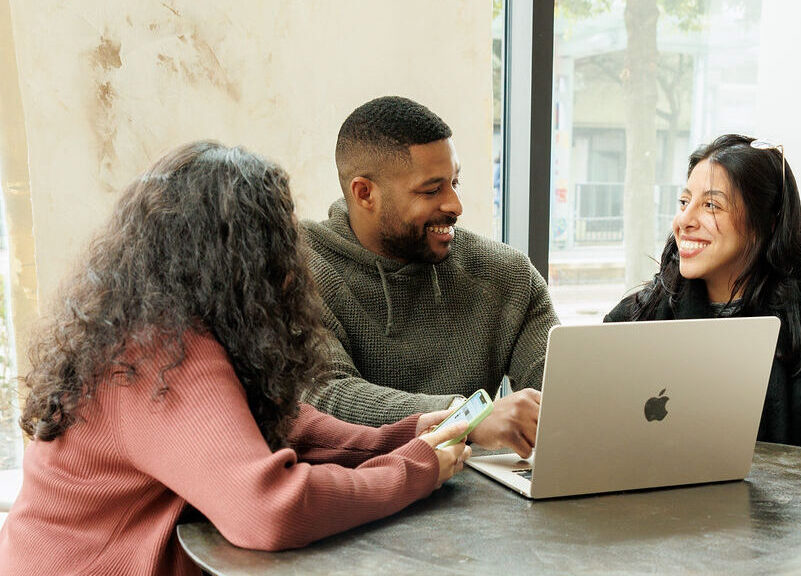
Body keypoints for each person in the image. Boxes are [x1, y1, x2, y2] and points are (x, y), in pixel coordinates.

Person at [0, 142, 471, 576]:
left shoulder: (156, 328)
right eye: (280, 237)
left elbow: (290, 426)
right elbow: (268, 510)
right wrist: (413, 470)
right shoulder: (159, 353)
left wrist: (407, 435)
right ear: (244, 256)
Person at [605, 134, 801, 464]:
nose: (684, 221)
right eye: (684, 202)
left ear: (767, 222)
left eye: (710, 205)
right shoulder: (635, 319)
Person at [301, 96, 558, 458]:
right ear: (365, 193)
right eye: (431, 189)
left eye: (455, 182)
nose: (455, 205)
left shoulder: (507, 275)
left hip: (479, 498)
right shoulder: (300, 268)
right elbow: (325, 395)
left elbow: (560, 400)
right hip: (362, 500)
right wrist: (467, 418)